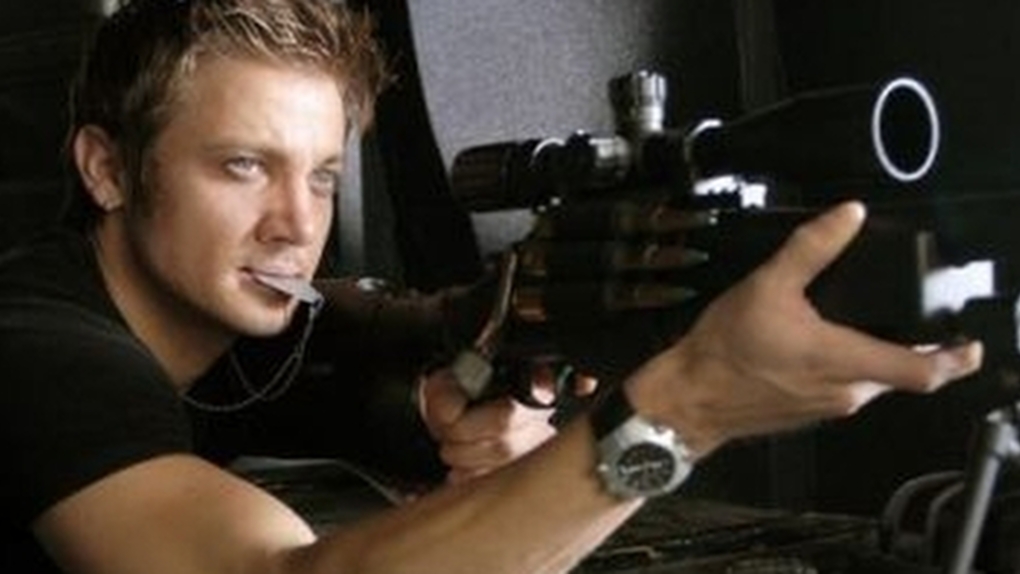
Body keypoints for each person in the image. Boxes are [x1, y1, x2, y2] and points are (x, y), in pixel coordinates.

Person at [0, 0, 982, 573]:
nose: (297, 225)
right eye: (243, 167)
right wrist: (682, 415)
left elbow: (370, 349)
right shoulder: (40, 348)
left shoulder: (234, 329)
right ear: (108, 169)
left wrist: (442, 405)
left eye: (323, 176)